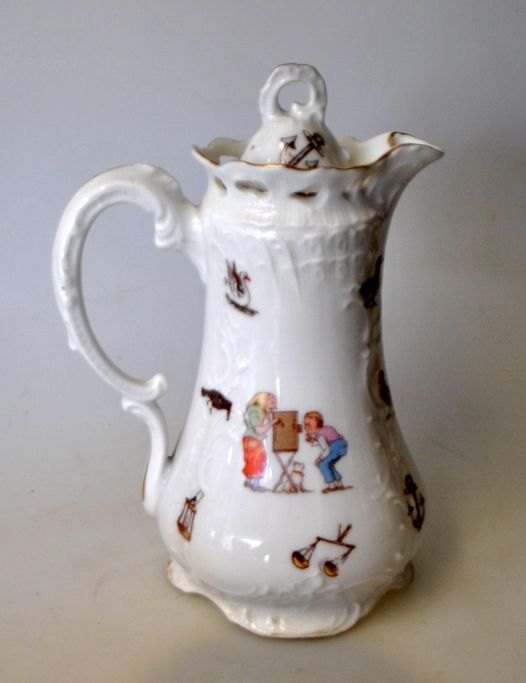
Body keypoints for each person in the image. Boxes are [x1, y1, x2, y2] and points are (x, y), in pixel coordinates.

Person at [242, 393, 279, 491]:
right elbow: (259, 430)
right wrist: (272, 422)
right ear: (264, 401)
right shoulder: (254, 411)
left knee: (256, 460)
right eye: (272, 403)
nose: (273, 407)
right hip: (252, 439)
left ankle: (251, 482)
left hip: (253, 439)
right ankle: (254, 484)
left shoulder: (258, 410)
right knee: (258, 460)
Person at [303, 411, 348, 492]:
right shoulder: (324, 429)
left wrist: (319, 459)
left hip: (335, 448)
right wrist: (314, 443)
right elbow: (327, 441)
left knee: (322, 464)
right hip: (341, 445)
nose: (305, 427)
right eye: (305, 424)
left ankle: (331, 485)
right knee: (329, 465)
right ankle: (339, 484)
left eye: (308, 424)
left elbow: (326, 450)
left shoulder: (319, 435)